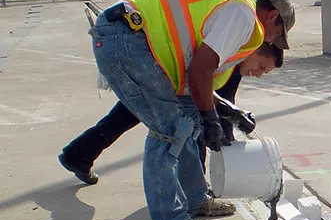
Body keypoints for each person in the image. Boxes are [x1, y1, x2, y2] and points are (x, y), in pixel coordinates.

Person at [87, 0, 295, 220]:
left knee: (187, 119)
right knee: (169, 130)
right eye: (277, 34)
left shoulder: (236, 10)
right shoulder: (244, 15)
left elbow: (195, 74)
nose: (271, 41)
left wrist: (224, 111)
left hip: (131, 38)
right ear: (272, 16)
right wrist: (211, 119)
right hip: (128, 38)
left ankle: (195, 199)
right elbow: (201, 69)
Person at [58, 42, 284, 185]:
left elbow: (224, 100)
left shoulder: (238, 57)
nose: (259, 74)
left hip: (163, 69)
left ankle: (78, 155)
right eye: (262, 66)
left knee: (124, 116)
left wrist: (231, 122)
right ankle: (189, 191)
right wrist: (228, 126)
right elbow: (209, 102)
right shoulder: (232, 49)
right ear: (255, 48)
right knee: (191, 123)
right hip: (159, 65)